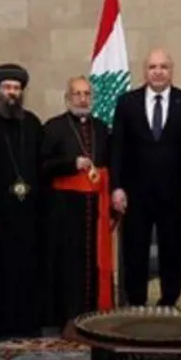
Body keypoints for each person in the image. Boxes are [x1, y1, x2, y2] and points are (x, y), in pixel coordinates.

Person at [109, 48, 181, 307]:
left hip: (174, 195)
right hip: (135, 195)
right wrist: (117, 187)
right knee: (134, 251)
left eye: (163, 66)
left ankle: (168, 303)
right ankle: (136, 304)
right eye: (153, 67)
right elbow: (117, 148)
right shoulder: (127, 102)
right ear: (145, 71)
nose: (158, 72)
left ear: (171, 70)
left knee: (172, 250)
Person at [0, 63, 47, 337]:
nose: (12, 93)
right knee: (1, 269)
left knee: (28, 268)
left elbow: (41, 165)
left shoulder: (32, 123)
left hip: (29, 211)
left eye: (16, 88)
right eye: (7, 88)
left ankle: (28, 323)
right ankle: (2, 325)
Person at [40, 76, 114, 323]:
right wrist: (72, 163)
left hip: (95, 210)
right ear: (67, 98)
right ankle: (68, 316)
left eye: (87, 94)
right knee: (69, 263)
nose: (82, 99)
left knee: (94, 261)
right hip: (65, 209)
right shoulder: (54, 127)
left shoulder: (102, 128)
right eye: (77, 94)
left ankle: (95, 314)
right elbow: (43, 166)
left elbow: (110, 166)